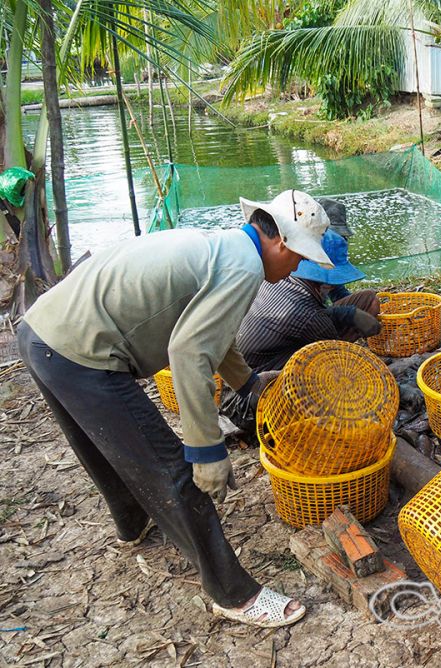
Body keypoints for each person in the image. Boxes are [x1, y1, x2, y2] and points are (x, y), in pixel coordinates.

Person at [17, 189, 332, 629]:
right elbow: (189, 353)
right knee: (174, 472)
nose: (298, 265)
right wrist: (205, 452)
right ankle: (234, 594)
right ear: (279, 241)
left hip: (41, 333)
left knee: (106, 445)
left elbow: (211, 336)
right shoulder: (243, 267)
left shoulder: (224, 246)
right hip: (81, 353)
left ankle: (133, 525)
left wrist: (249, 384)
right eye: (299, 255)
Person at [236, 228, 381, 373]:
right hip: (258, 377)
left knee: (368, 298)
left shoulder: (281, 275)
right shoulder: (308, 315)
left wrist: (350, 313)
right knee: (334, 360)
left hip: (255, 349)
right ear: (324, 282)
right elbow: (336, 357)